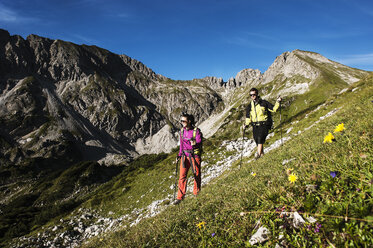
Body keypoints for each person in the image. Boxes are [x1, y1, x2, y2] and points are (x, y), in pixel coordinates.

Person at [244, 88, 282, 159]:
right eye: (251, 95)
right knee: (256, 140)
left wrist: (278, 102)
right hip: (255, 125)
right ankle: (262, 155)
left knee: (260, 138)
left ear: (257, 94)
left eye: (254, 94)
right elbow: (248, 117)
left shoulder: (264, 103)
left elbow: (273, 109)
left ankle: (258, 155)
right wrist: (246, 124)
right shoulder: (249, 106)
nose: (252, 96)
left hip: (264, 124)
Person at [173, 113, 202, 205]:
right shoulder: (182, 131)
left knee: (196, 175)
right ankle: (180, 197)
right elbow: (181, 145)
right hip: (184, 156)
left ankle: (196, 193)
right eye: (181, 121)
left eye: (184, 121)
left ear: (189, 121)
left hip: (194, 156)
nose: (182, 123)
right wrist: (179, 155)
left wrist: (195, 144)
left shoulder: (196, 131)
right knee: (182, 176)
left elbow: (199, 141)